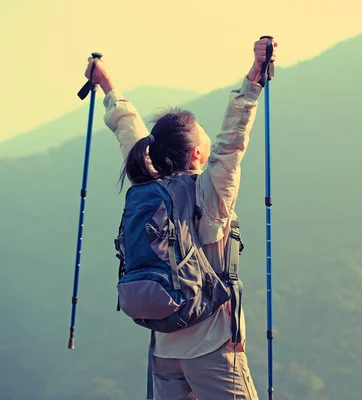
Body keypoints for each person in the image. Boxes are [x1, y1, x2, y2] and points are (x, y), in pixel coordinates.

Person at [84, 37, 277, 400]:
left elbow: (128, 130)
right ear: (197, 154)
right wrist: (254, 78)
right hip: (212, 347)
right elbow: (232, 140)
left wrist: (107, 84)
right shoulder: (211, 194)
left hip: (164, 349)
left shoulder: (148, 180)